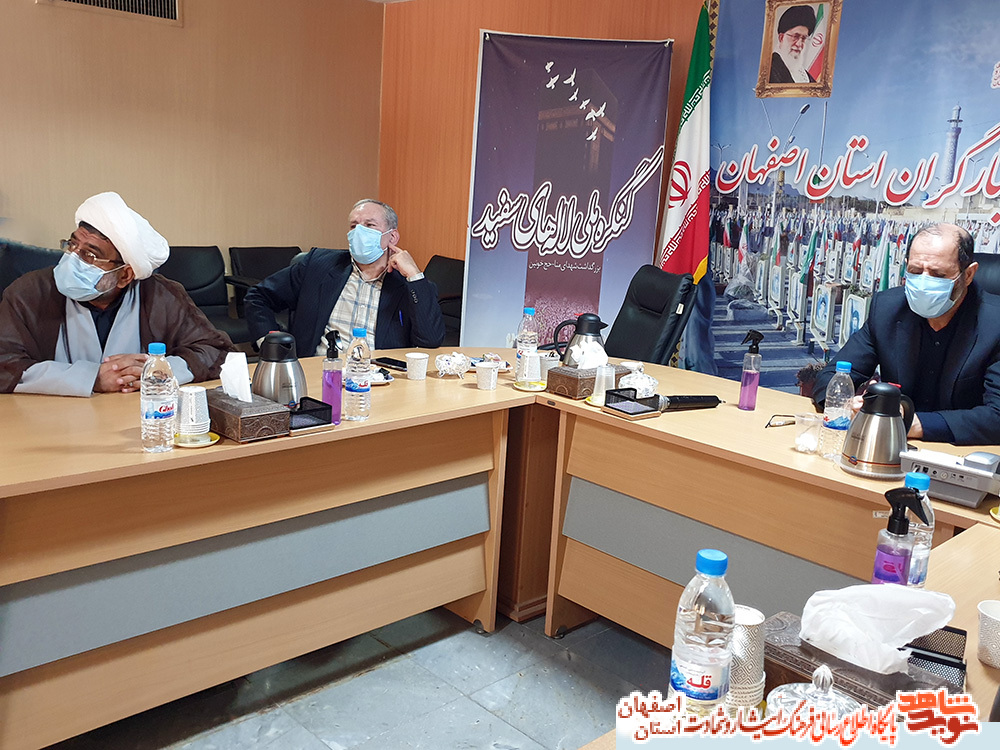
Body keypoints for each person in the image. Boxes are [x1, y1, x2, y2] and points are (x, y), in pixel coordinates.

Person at [0, 192, 234, 396]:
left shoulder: (161, 295)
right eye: (72, 245)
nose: (72, 259)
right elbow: (4, 363)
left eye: (90, 255)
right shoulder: (29, 292)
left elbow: (217, 352)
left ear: (125, 275)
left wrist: (157, 370)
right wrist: (92, 378)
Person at [813, 223, 1000, 445]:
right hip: (888, 445)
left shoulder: (994, 324)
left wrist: (912, 422)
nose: (924, 282)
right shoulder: (887, 308)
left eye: (938, 274)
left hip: (965, 452)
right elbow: (832, 376)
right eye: (915, 271)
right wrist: (849, 404)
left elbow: (996, 416)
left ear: (968, 274)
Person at [244, 199, 445, 355]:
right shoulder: (318, 265)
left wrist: (415, 276)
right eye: (354, 226)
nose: (359, 232)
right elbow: (258, 297)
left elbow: (430, 340)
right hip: (319, 373)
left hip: (380, 380)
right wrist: (268, 343)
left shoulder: (409, 285)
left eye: (369, 225)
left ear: (392, 237)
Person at [769, 5, 816, 84]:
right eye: (795, 36)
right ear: (781, 38)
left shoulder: (806, 76)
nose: (799, 44)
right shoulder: (770, 69)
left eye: (803, 38)